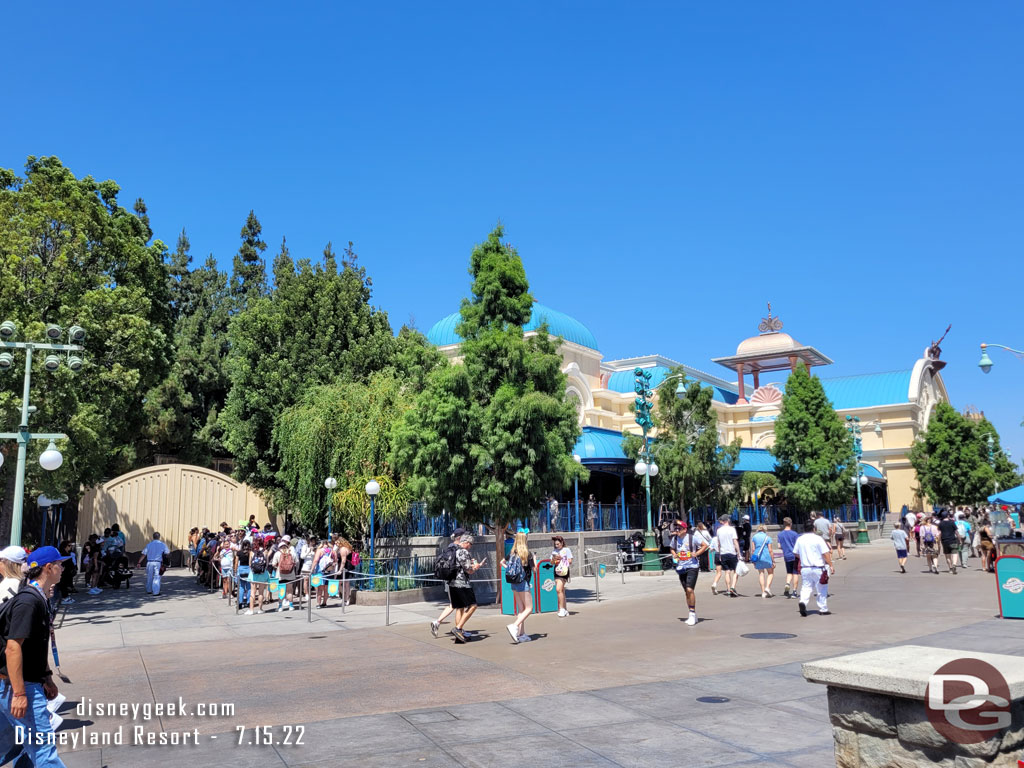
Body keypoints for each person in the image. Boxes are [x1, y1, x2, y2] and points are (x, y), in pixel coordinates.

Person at [0, 545, 71, 768]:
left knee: (17, 746)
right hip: (17, 686)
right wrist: (20, 694)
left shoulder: (39, 598)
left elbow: (35, 647)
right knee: (42, 748)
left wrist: (47, 677)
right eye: (59, 564)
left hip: (22, 683)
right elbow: (13, 648)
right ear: (48, 568)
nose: (63, 568)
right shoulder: (28, 602)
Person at [670, 522, 709, 625]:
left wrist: (696, 553)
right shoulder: (674, 539)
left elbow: (705, 545)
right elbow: (672, 548)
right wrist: (675, 555)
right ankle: (693, 613)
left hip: (692, 566)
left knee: (689, 589)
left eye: (679, 528)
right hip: (681, 567)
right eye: (676, 528)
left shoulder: (692, 538)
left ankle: (692, 614)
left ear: (685, 529)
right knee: (686, 592)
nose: (677, 530)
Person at [430, 528, 467, 637]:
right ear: (460, 538)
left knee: (454, 605)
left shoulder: (449, 548)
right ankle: (458, 629)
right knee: (459, 606)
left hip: (449, 579)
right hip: (457, 581)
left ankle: (440, 623)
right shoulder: (458, 549)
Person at [793, 521, 834, 616]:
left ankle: (803, 601)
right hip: (818, 567)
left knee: (806, 587)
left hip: (805, 567)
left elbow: (795, 552)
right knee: (821, 588)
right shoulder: (818, 539)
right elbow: (825, 553)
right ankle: (823, 608)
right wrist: (830, 565)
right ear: (814, 529)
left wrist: (803, 557)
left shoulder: (800, 539)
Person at [449, 534, 485, 643]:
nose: (470, 546)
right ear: (465, 542)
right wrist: (477, 566)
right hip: (462, 583)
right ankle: (458, 628)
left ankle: (458, 636)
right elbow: (469, 570)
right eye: (470, 544)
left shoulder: (453, 550)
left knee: (459, 607)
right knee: (473, 605)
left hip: (452, 582)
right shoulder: (463, 552)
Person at [501, 531, 535, 643]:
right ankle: (514, 626)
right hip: (522, 582)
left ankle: (521, 634)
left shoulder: (512, 553)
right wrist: (534, 559)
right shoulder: (527, 554)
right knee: (529, 608)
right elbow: (535, 570)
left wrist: (509, 570)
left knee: (521, 609)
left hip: (513, 581)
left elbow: (502, 562)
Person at [713, 515, 740, 597]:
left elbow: (719, 543)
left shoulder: (719, 530)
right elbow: (735, 541)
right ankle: (733, 587)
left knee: (727, 572)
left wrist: (720, 554)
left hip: (723, 553)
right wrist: (738, 552)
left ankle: (728, 589)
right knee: (736, 571)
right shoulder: (732, 529)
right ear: (728, 520)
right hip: (731, 552)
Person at [749, 524, 775, 598]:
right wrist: (773, 560)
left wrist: (753, 560)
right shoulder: (768, 538)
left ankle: (763, 592)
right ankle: (767, 587)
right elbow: (770, 550)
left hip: (758, 557)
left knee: (761, 573)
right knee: (770, 573)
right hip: (766, 557)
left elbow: (753, 549)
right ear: (764, 529)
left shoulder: (754, 537)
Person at [776, 518, 800, 598]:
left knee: (789, 572)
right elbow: (798, 545)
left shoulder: (780, 534)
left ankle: (787, 583)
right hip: (794, 555)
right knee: (795, 572)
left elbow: (779, 546)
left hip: (786, 555)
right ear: (791, 524)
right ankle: (794, 591)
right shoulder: (794, 534)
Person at [550, 535, 573, 617]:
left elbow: (570, 561)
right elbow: (551, 563)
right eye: (555, 544)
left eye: (558, 544)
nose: (557, 546)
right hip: (556, 571)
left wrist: (562, 558)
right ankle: (565, 609)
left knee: (558, 589)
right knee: (561, 590)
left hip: (564, 571)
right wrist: (554, 559)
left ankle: (561, 609)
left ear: (562, 543)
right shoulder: (554, 551)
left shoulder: (566, 550)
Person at [142, 532, 170, 597]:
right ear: (159, 537)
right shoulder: (162, 545)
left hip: (149, 562)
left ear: (153, 537)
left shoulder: (149, 545)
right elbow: (167, 553)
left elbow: (144, 554)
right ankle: (156, 592)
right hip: (157, 562)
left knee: (149, 576)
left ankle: (149, 590)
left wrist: (139, 562)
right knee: (157, 577)